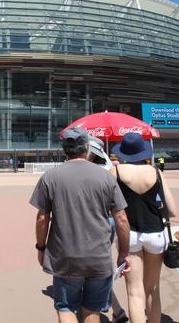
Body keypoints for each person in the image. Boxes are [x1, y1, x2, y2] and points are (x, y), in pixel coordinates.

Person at [30, 128, 131, 323]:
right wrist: (124, 252)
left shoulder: (50, 176)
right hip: (98, 255)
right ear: (86, 148)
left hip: (64, 256)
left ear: (64, 150)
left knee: (66, 307)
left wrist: (41, 247)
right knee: (92, 309)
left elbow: (42, 218)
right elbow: (122, 218)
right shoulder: (106, 177)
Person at [111, 133, 177, 323]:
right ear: (142, 152)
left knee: (134, 292)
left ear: (123, 152)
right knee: (152, 288)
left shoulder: (115, 172)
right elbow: (171, 209)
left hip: (129, 234)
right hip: (155, 233)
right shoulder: (155, 171)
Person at [87, 137, 127, 322]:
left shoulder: (90, 171)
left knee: (93, 270)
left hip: (95, 222)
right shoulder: (111, 169)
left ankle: (110, 307)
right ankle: (116, 309)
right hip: (111, 221)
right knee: (100, 264)